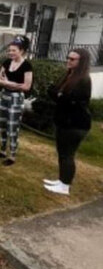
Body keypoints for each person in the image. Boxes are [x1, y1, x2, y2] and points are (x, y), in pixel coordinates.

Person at [44, 48, 92, 195]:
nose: (68, 61)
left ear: (81, 62)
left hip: (75, 125)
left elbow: (73, 101)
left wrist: (59, 95)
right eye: (68, 58)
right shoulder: (70, 76)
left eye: (72, 59)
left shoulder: (83, 80)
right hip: (65, 122)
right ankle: (61, 180)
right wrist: (56, 94)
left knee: (67, 154)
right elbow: (59, 96)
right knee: (62, 153)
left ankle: (65, 186)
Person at [0, 39, 33, 166]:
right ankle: (2, 150)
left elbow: (26, 87)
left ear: (21, 51)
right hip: (4, 95)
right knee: (2, 123)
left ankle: (12, 156)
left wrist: (8, 83)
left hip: (16, 98)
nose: (10, 53)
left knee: (12, 126)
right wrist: (12, 84)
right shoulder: (6, 62)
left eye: (13, 50)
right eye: (9, 50)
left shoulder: (27, 66)